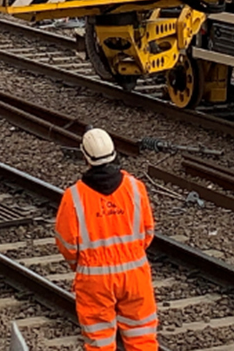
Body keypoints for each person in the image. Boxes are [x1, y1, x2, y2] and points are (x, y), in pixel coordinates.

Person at [55, 129, 157, 351]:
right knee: (142, 337)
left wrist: (82, 265)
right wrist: (131, 254)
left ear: (85, 156)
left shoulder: (73, 196)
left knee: (99, 342)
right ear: (114, 153)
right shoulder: (135, 188)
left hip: (95, 278)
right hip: (135, 273)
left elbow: (66, 244)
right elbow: (148, 231)